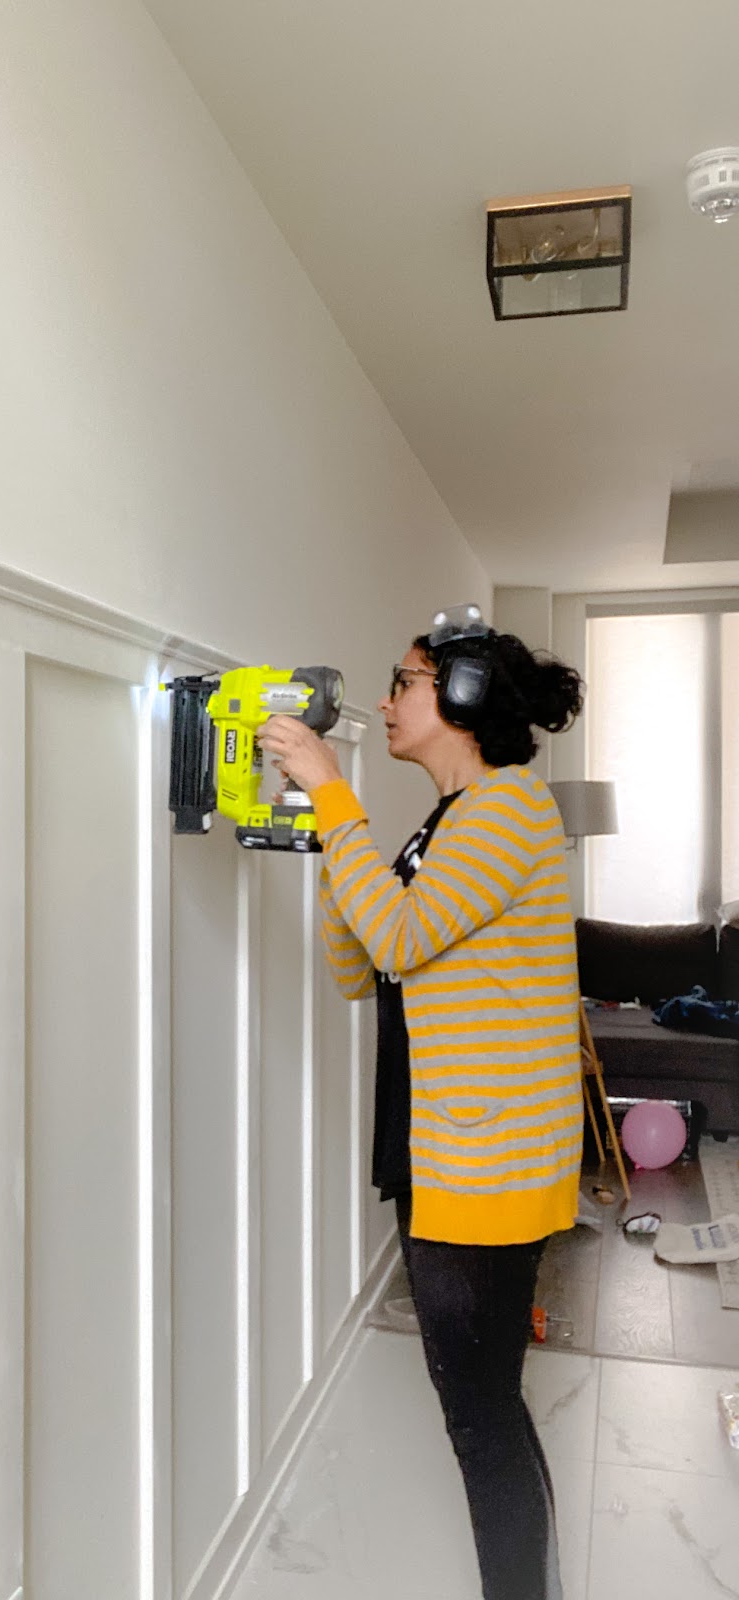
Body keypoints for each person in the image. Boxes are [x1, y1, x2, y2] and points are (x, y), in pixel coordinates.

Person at [257, 607, 585, 1600]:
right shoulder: (441, 826)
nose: (388, 698)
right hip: (437, 1151)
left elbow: (397, 941)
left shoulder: (511, 811)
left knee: (481, 1416)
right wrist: (333, 829)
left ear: (467, 697)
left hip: (488, 1162)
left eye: (404, 680)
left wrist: (333, 796)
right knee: (482, 1406)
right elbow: (365, 965)